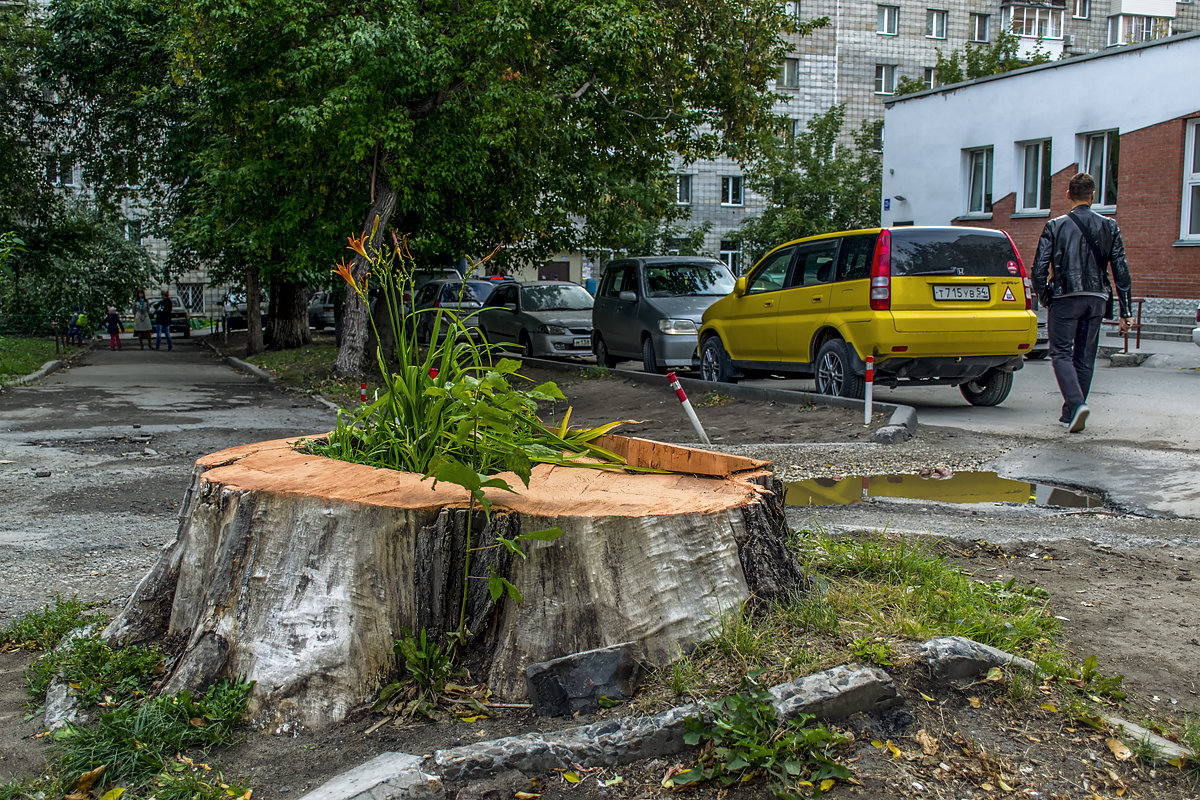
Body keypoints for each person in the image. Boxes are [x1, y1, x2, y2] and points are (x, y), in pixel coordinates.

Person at [1032, 172, 1134, 434]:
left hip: (1066, 297)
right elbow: (1120, 270)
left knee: (1060, 353)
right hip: (1097, 299)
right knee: (1085, 355)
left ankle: (1076, 405)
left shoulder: (1054, 226)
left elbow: (1039, 268)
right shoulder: (1110, 226)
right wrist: (1127, 311)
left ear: (1068, 195)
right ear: (1093, 195)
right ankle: (1070, 414)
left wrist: (1045, 297)